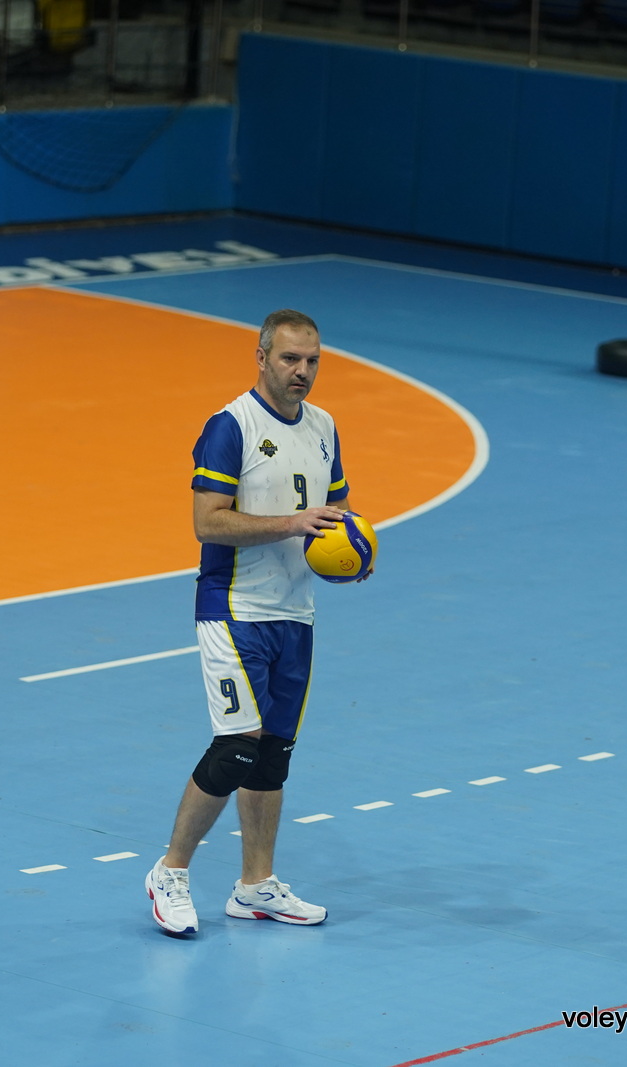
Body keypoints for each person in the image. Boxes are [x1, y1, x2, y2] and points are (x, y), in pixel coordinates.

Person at [145, 308, 366, 937]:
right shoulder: (231, 426)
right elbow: (207, 522)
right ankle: (170, 872)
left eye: (312, 361)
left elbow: (339, 512)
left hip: (295, 613)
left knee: (273, 754)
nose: (303, 371)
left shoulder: (324, 427)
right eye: (290, 358)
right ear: (262, 357)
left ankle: (254, 887)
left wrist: (354, 551)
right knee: (237, 746)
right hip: (234, 607)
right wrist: (293, 523)